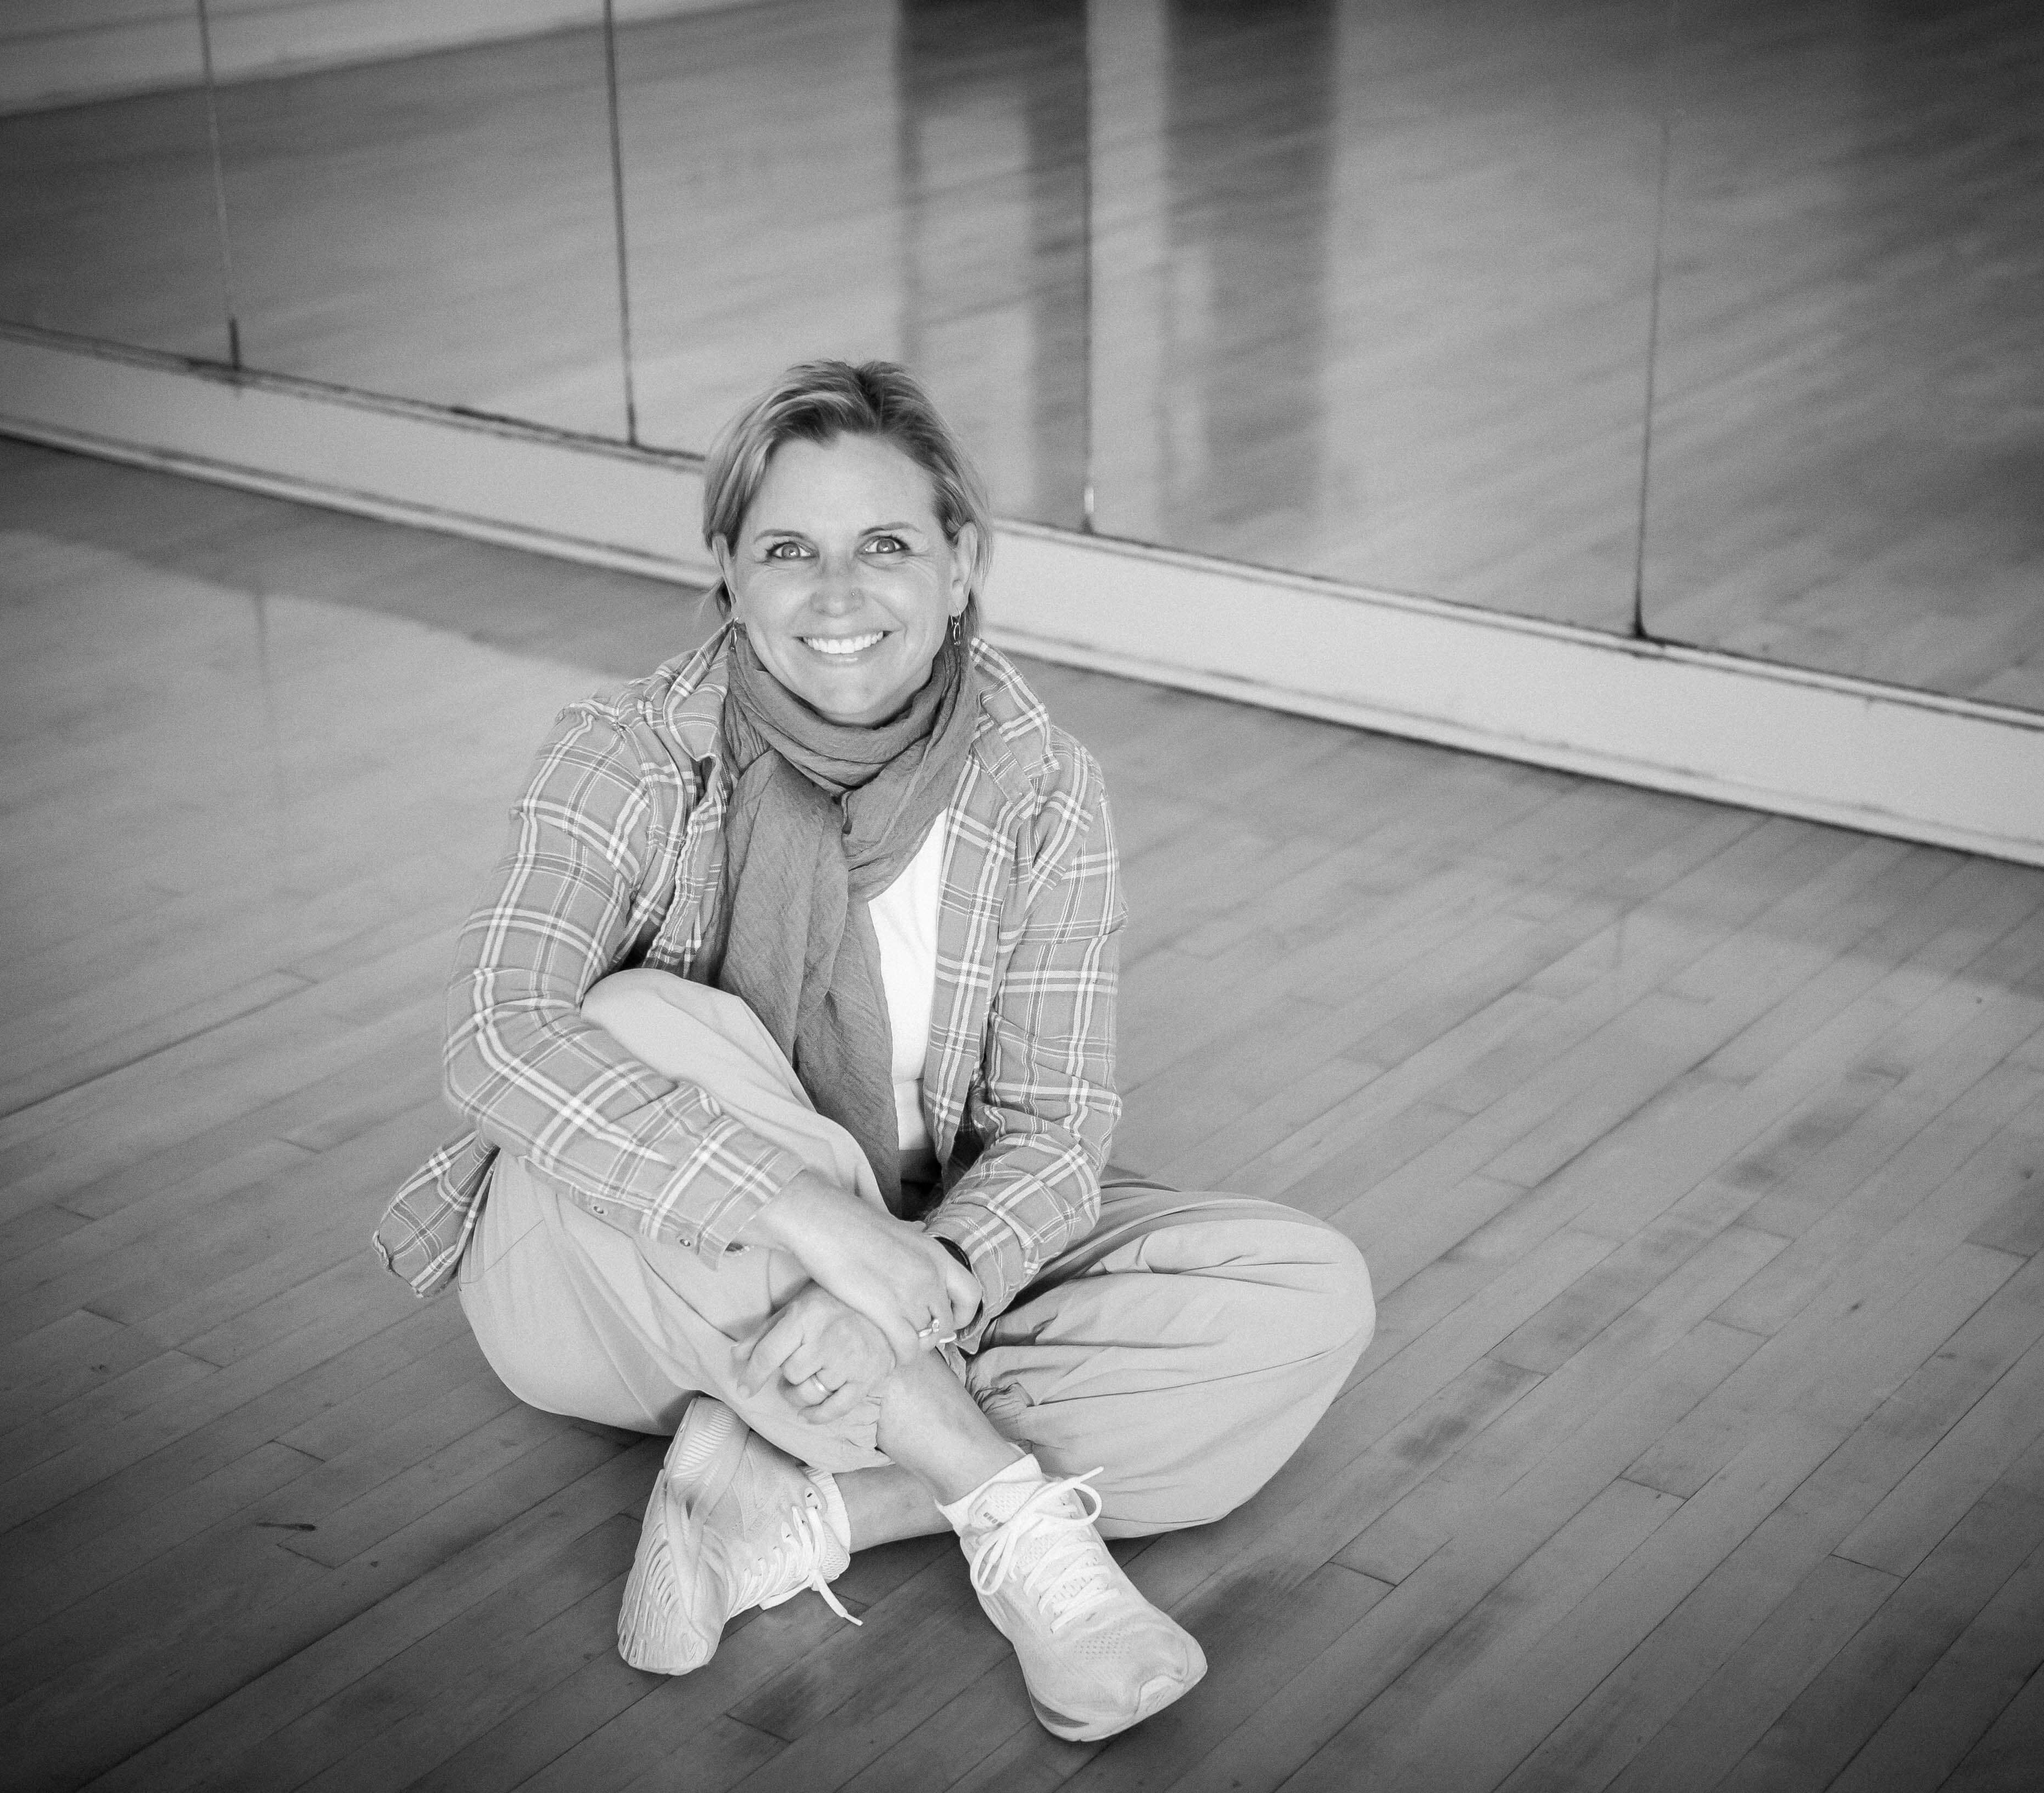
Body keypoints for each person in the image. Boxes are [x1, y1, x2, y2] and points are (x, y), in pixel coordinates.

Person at [373, 359, 1374, 1742]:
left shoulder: (1038, 788)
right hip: (610, 1275)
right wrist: (809, 1227)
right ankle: (1024, 1534)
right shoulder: (626, 752)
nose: (837, 595)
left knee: (1306, 1293)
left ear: (962, 565)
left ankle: (798, 1500)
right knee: (641, 1025)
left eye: (886, 545)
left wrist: (924, 1271)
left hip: (898, 1251)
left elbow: (1051, 1125)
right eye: (788, 548)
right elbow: (497, 1035)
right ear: (728, 569)